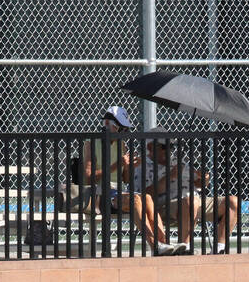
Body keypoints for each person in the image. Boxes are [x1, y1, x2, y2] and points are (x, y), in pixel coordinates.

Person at [81, 106, 185, 255]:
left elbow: (125, 179)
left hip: (116, 192)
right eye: (120, 128)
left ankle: (163, 242)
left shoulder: (120, 145)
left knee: (147, 198)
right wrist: (118, 165)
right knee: (136, 200)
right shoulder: (91, 143)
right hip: (99, 194)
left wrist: (130, 167)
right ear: (107, 124)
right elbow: (89, 176)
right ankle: (155, 245)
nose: (123, 132)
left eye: (125, 129)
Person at [137, 139, 238, 255]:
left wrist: (204, 179)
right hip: (167, 204)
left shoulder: (176, 162)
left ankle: (219, 248)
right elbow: (143, 196)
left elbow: (198, 184)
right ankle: (185, 248)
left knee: (233, 201)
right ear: (150, 147)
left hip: (194, 200)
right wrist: (169, 178)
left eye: (171, 146)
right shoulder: (142, 166)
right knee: (190, 201)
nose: (169, 149)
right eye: (165, 146)